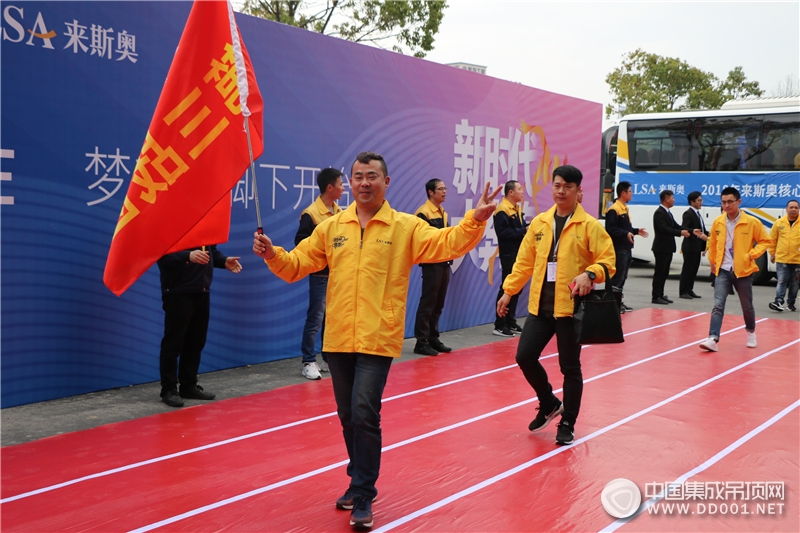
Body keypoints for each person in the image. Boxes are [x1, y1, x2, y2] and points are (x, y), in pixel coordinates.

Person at [253, 151, 501, 530]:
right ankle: (358, 478)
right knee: (348, 415)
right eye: (357, 176)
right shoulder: (332, 227)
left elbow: (446, 243)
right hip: (337, 338)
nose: (364, 182)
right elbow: (297, 264)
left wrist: (475, 220)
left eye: (372, 176)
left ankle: (364, 493)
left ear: (386, 182)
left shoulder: (404, 228)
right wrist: (273, 254)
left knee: (365, 411)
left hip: (377, 337)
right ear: (349, 184)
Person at [497, 165, 616, 446]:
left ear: (578, 191)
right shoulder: (539, 223)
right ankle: (549, 402)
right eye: (557, 185)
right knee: (524, 356)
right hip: (540, 307)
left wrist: (590, 273)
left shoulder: (589, 225)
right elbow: (524, 263)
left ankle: (568, 422)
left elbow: (608, 260)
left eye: (568, 187)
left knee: (570, 367)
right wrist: (508, 292)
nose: (561, 191)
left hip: (571, 308)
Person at [157, 246, 242, 408]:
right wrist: (188, 255)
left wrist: (223, 261)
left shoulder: (203, 227)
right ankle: (168, 389)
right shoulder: (168, 224)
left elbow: (211, 252)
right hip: (177, 291)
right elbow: (161, 254)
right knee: (173, 343)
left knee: (196, 341)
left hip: (202, 290)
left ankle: (188, 385)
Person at [699, 187, 770, 352]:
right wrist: (712, 262)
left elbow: (765, 241)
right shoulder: (719, 222)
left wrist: (751, 255)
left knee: (747, 305)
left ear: (739, 202)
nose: (726, 205)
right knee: (718, 304)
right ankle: (713, 338)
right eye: (723, 202)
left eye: (730, 202)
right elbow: (714, 243)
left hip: (742, 270)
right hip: (723, 270)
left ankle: (751, 331)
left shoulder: (751, 222)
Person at [295, 168, 344, 379]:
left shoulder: (340, 212)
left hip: (337, 274)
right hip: (320, 275)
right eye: (341, 184)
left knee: (332, 319)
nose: (343, 189)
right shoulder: (311, 214)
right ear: (330, 187)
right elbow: (300, 243)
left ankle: (327, 359)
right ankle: (308, 361)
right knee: (315, 318)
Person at [412, 179, 453, 356]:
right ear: (430, 192)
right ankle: (421, 342)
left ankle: (433, 338)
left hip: (444, 261)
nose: (444, 191)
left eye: (445, 188)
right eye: (440, 189)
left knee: (439, 302)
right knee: (428, 302)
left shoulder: (443, 212)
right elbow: (423, 239)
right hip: (431, 263)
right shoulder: (423, 213)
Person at [604, 181, 649, 312]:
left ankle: (618, 302)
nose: (632, 194)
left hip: (627, 248)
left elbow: (624, 228)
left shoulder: (624, 207)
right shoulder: (614, 209)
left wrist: (635, 231)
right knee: (617, 278)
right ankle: (611, 305)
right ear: (623, 193)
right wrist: (626, 233)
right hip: (619, 248)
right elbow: (610, 229)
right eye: (630, 191)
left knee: (623, 277)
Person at [493, 180, 527, 336]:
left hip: (519, 254)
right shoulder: (502, 209)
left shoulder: (516, 208)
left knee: (516, 287)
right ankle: (499, 324)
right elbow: (503, 233)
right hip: (508, 254)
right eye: (519, 189)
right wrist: (523, 230)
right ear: (511, 192)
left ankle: (510, 321)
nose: (522, 191)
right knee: (507, 287)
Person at [651, 189, 690, 304]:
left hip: (667, 247)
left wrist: (691, 231)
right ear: (666, 199)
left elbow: (676, 226)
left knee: (664, 272)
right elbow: (663, 229)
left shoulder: (667, 212)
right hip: (661, 247)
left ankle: (661, 294)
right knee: (660, 272)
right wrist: (680, 233)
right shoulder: (659, 213)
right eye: (672, 198)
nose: (674, 200)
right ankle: (655, 296)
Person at [767, 199, 800, 312]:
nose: (793, 209)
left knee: (795, 283)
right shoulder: (779, 223)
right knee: (781, 280)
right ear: (786, 209)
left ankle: (791, 303)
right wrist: (772, 253)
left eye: (796, 207)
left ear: (798, 209)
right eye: (791, 207)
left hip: (797, 259)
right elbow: (772, 240)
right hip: (782, 258)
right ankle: (778, 302)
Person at [678, 191, 709, 299]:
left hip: (697, 247)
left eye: (701, 200)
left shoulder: (698, 214)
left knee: (694, 269)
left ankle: (689, 289)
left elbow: (703, 230)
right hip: (689, 247)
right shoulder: (688, 213)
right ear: (692, 202)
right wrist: (696, 234)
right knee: (687, 269)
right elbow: (684, 228)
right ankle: (683, 291)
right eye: (699, 200)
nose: (701, 202)